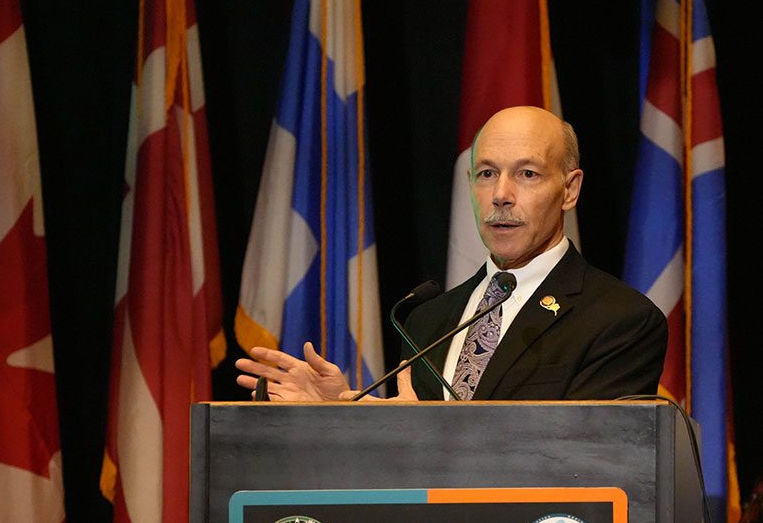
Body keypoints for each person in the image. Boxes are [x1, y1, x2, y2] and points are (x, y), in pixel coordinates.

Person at [235, 106, 667, 401]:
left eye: (527, 174)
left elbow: (586, 463)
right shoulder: (427, 321)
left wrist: (424, 433)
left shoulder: (620, 321)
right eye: (487, 173)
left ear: (569, 190)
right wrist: (345, 416)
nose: (501, 195)